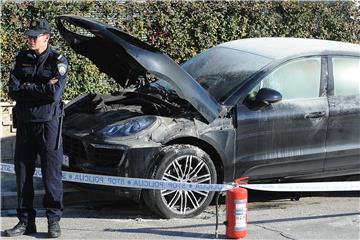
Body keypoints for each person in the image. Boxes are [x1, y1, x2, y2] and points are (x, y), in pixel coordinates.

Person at [4, 19, 68, 238]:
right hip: (24, 122)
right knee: (22, 173)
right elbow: (13, 90)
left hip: (49, 124)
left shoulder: (57, 60)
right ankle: (25, 222)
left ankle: (53, 221)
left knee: (52, 174)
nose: (30, 39)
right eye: (29, 36)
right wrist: (38, 87)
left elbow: (53, 94)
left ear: (46, 37)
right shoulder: (21, 58)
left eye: (35, 36)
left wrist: (27, 86)